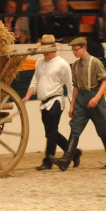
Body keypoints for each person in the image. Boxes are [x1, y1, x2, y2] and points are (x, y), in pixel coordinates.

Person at [51, 37, 106, 171]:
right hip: (81, 98)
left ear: (84, 48)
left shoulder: (95, 62)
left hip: (94, 95)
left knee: (101, 128)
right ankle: (66, 159)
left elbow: (105, 81)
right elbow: (75, 86)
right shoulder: (75, 66)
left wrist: (97, 97)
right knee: (75, 127)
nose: (74, 52)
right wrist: (73, 103)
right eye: (73, 50)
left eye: (76, 50)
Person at [22, 35, 79, 170]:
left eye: (46, 49)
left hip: (55, 101)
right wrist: (28, 95)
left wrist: (72, 105)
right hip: (43, 103)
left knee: (51, 132)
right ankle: (74, 153)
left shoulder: (63, 65)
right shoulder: (39, 63)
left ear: (53, 48)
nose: (44, 52)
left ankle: (48, 160)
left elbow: (70, 86)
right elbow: (35, 81)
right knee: (50, 133)